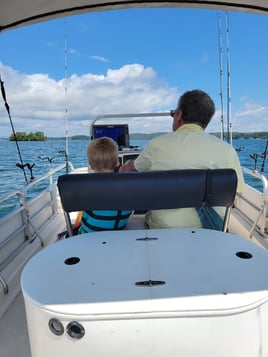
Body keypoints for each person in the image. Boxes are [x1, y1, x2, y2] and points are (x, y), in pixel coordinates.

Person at [120, 89, 244, 229]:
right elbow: (233, 197)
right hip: (211, 230)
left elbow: (130, 172)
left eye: (174, 114)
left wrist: (126, 165)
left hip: (165, 228)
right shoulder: (227, 150)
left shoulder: (157, 145)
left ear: (179, 116)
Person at [78, 137, 132, 234]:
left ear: (90, 164)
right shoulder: (128, 187)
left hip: (88, 236)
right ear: (117, 162)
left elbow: (84, 218)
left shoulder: (86, 188)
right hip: (118, 230)